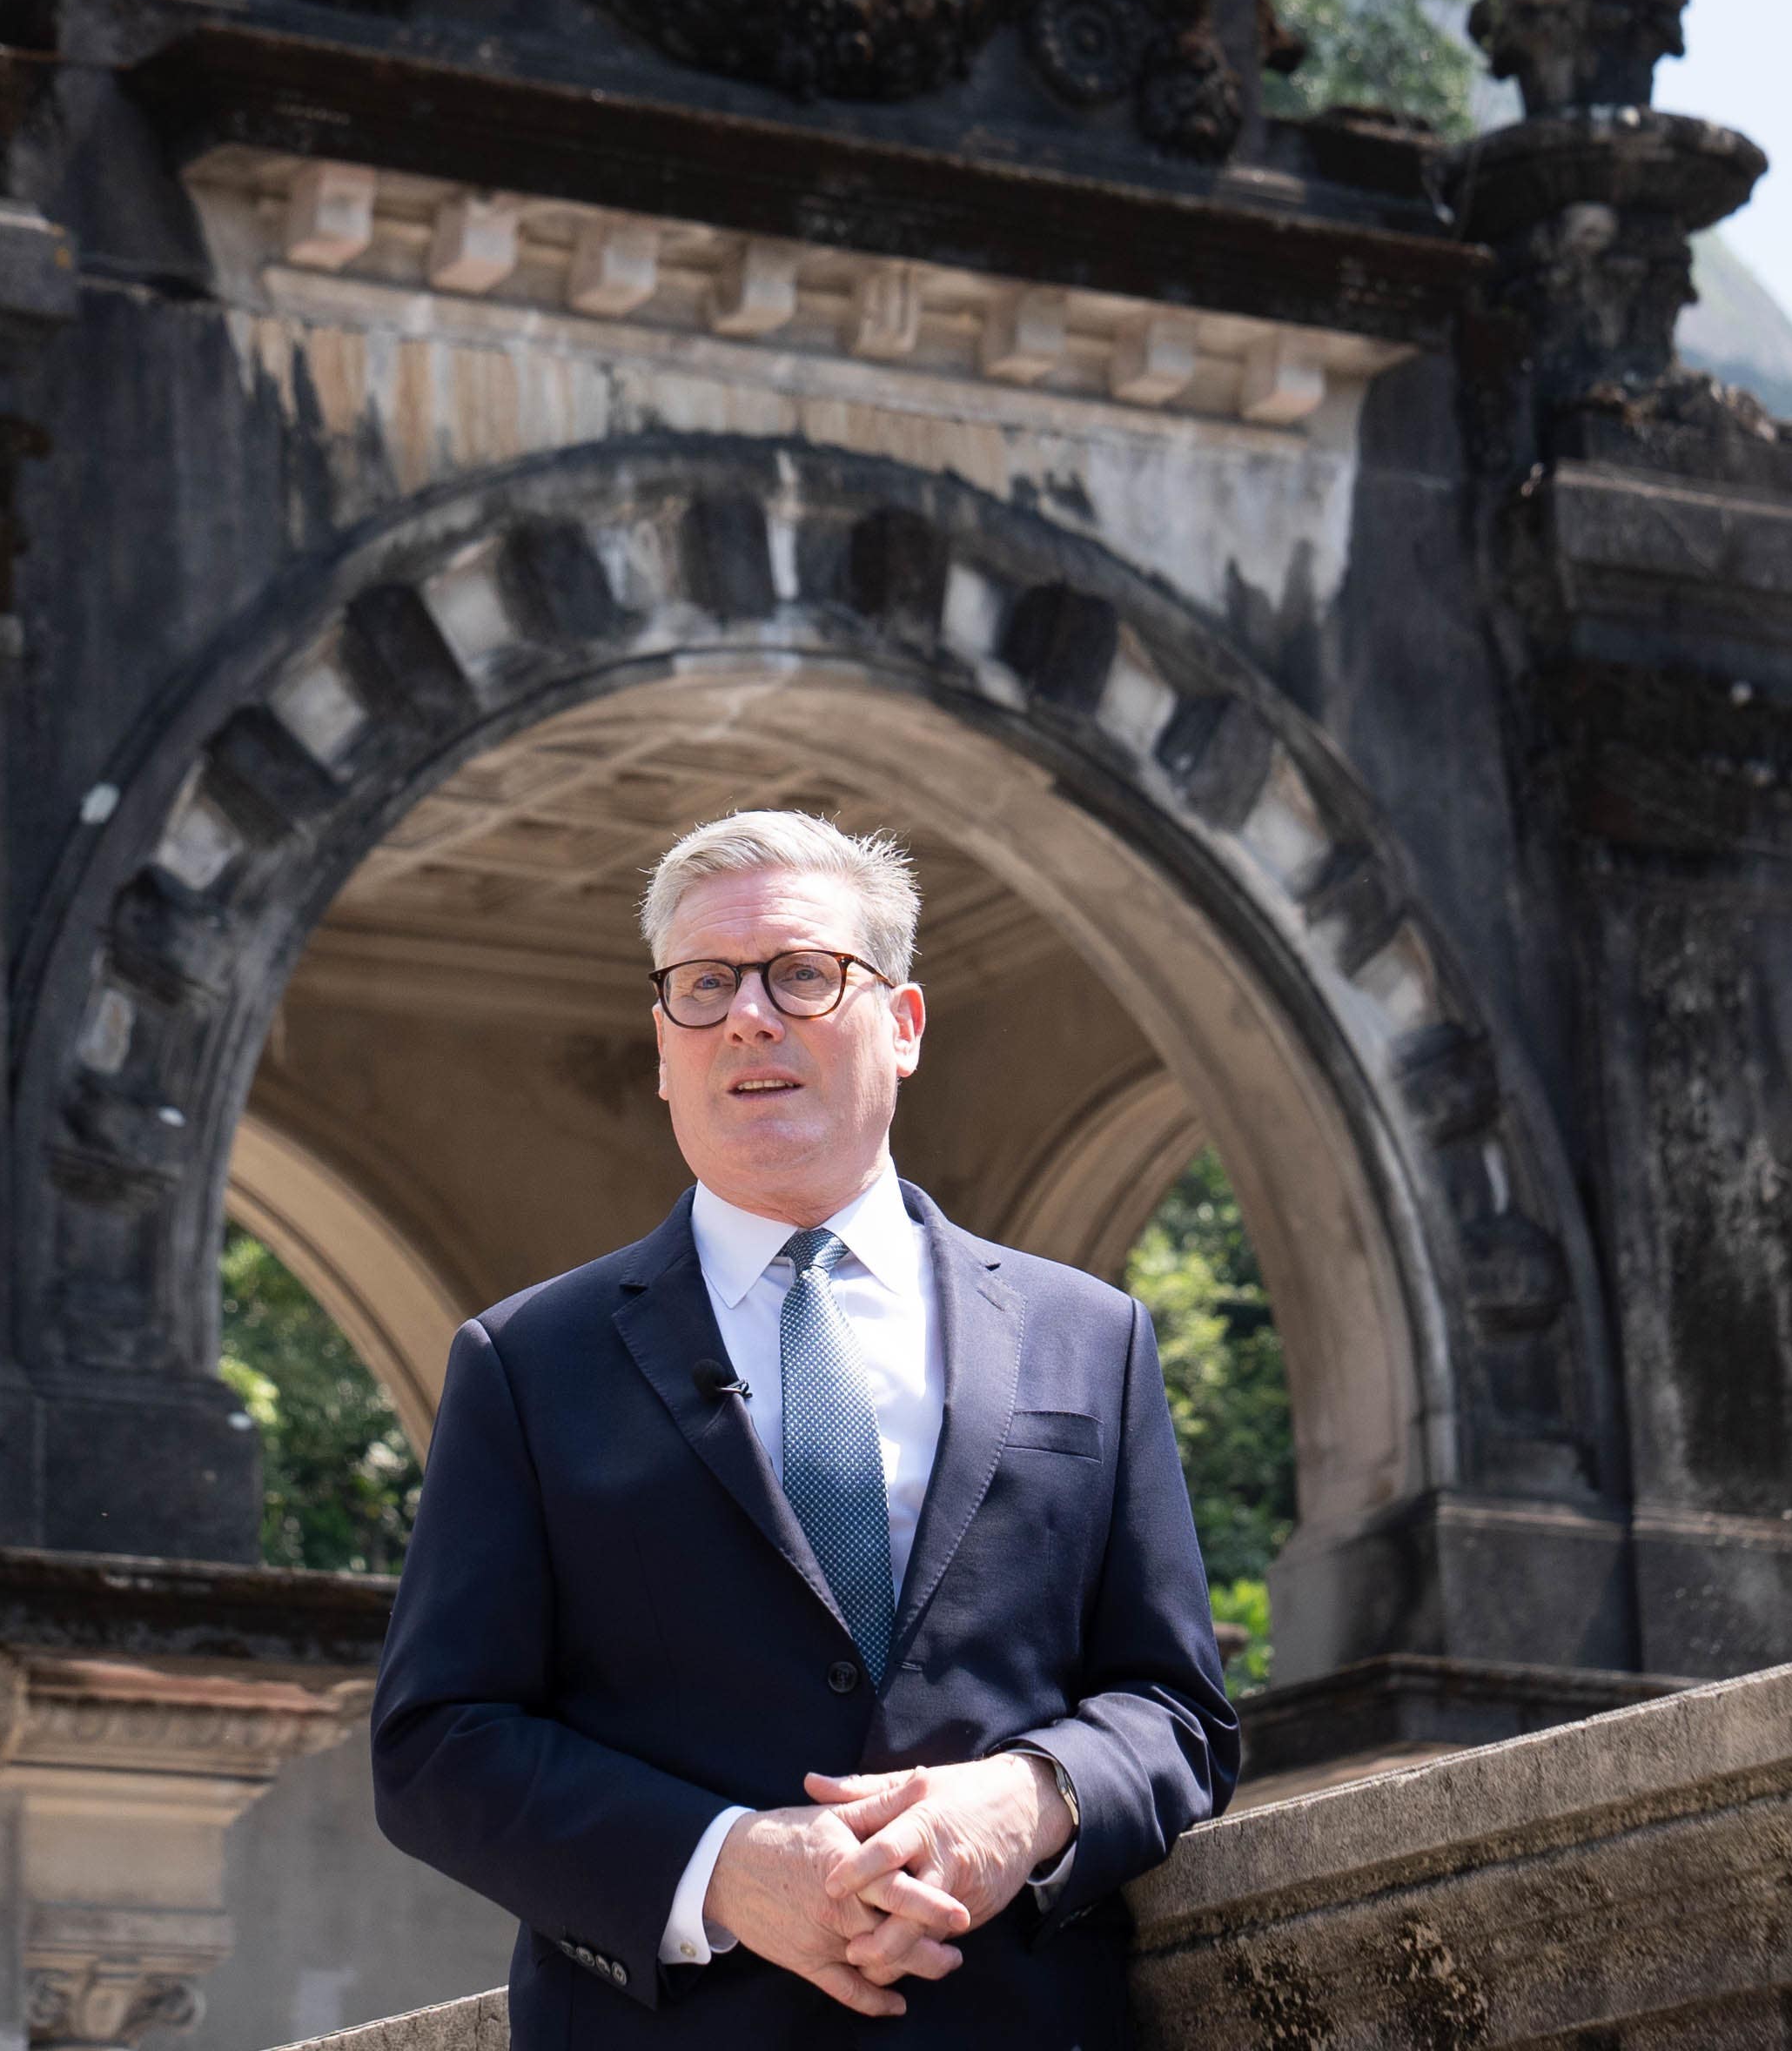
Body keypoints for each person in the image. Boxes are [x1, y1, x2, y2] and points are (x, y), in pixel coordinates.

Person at [372, 809, 1239, 2047]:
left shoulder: (1088, 1337)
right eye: (705, 985)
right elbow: (435, 1748)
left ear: (903, 1023)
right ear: (664, 1047)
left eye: (803, 973)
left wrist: (1025, 1800)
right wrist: (722, 1867)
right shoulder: (526, 1363)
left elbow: (1176, 1712)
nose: (749, 1016)